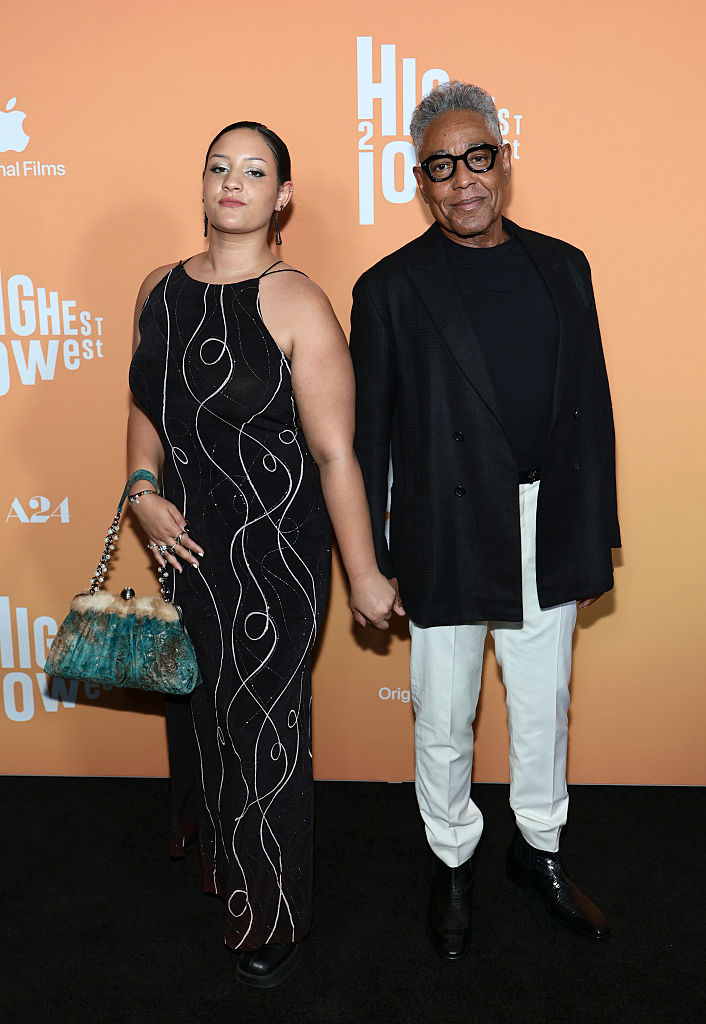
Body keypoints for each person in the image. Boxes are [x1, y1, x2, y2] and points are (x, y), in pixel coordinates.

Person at [349, 82, 620, 961]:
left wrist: (591, 534)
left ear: (504, 159)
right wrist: (371, 561)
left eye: (478, 157)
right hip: (446, 526)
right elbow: (367, 439)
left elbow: (591, 409)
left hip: (549, 518)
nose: (463, 179)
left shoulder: (565, 266)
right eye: (441, 166)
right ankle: (453, 858)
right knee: (443, 712)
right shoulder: (389, 289)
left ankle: (537, 850)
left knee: (544, 705)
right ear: (420, 181)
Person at [127, 120, 399, 987]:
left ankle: (271, 917)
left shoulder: (298, 303)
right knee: (206, 717)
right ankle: (226, 865)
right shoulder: (158, 290)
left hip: (275, 552)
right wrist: (141, 490)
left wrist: (363, 572)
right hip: (185, 546)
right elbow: (145, 406)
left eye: (254, 171)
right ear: (203, 184)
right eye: (219, 167)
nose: (232, 182)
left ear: (282, 196)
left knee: (262, 728)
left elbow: (335, 454)